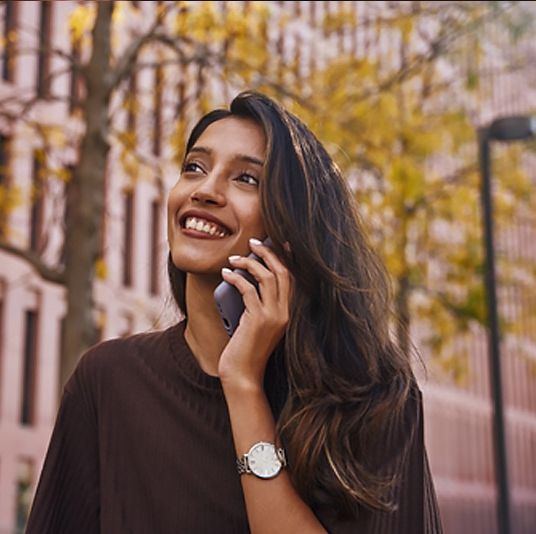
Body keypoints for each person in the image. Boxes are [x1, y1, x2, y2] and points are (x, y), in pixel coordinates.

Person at [25, 91, 442, 533]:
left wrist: (243, 386)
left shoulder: (374, 397)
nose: (204, 190)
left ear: (293, 230)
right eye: (194, 167)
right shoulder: (108, 380)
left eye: (246, 179)